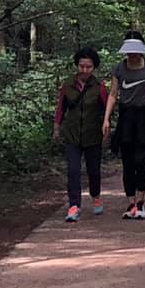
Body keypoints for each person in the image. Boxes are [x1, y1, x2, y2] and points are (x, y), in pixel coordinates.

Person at [101, 34, 145, 219]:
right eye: (129, 52)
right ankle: (131, 203)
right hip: (126, 117)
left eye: (136, 52)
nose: (133, 56)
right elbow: (113, 93)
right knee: (127, 162)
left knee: (141, 161)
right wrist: (106, 119)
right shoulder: (119, 69)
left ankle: (141, 202)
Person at [52, 47, 109, 221]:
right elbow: (61, 108)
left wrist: (107, 129)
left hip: (93, 135)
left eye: (88, 67)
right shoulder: (67, 85)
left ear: (94, 68)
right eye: (81, 66)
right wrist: (56, 128)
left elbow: (107, 109)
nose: (84, 70)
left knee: (94, 170)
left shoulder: (99, 87)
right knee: (73, 170)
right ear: (77, 65)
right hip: (72, 135)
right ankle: (74, 205)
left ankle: (96, 195)